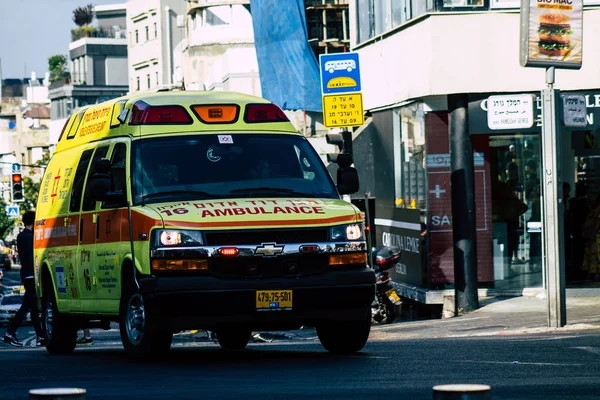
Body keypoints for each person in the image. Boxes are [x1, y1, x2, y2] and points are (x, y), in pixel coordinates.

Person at [3, 211, 45, 347]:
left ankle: (40, 336)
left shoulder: (21, 236)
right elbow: (32, 256)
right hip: (32, 274)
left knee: (33, 308)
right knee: (27, 305)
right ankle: (10, 332)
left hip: (26, 274)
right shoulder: (31, 237)